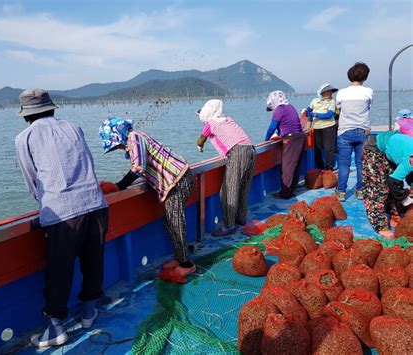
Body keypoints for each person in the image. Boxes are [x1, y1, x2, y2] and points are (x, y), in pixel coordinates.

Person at [15, 89, 108, 347]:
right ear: (53, 109)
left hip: (62, 214)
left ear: (25, 116)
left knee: (59, 269)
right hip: (95, 204)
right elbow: (87, 162)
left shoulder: (25, 137)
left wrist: (45, 207)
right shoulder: (74, 127)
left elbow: (31, 179)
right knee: (93, 261)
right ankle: (89, 312)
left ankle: (56, 327)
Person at [99, 118, 196, 282]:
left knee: (175, 221)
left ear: (119, 135)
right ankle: (180, 257)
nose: (118, 148)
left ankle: (187, 265)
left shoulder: (134, 137)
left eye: (116, 144)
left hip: (177, 179)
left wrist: (119, 186)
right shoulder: (134, 140)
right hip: (173, 182)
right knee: (170, 220)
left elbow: (138, 167)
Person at [196, 99, 255, 236]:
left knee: (229, 190)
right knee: (243, 187)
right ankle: (241, 219)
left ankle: (229, 226)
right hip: (250, 150)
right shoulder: (227, 119)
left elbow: (201, 139)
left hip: (238, 152)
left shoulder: (210, 123)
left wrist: (200, 146)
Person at [362, 131, 413, 239]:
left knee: (389, 188)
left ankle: (393, 215)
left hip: (392, 149)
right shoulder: (411, 160)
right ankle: (380, 226)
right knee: (377, 189)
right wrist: (403, 198)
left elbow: (409, 178)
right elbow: (394, 181)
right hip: (374, 147)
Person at [334, 62, 373, 202]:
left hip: (345, 131)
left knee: (344, 164)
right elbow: (368, 106)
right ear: (365, 77)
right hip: (363, 131)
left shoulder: (342, 93)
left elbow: (338, 108)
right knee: (361, 163)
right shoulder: (368, 91)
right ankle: (361, 190)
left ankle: (341, 192)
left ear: (349, 76)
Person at [264, 90, 306, 199]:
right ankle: (292, 191)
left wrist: (266, 140)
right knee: (295, 165)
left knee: (287, 167)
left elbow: (272, 127)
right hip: (300, 137)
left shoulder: (280, 109)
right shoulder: (290, 107)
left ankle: (285, 194)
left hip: (291, 139)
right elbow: (284, 125)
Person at [306, 83, 338, 171]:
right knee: (318, 148)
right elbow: (308, 110)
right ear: (322, 93)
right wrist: (309, 119)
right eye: (327, 92)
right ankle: (319, 167)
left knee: (329, 148)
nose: (329, 94)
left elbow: (329, 115)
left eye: (330, 92)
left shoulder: (332, 102)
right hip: (316, 127)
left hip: (329, 126)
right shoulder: (314, 101)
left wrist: (315, 114)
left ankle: (329, 167)